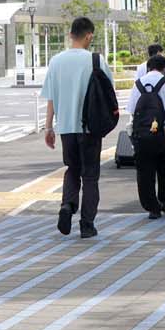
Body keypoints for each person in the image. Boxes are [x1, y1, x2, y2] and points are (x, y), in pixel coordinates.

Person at [42, 17, 107, 238]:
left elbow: (51, 98)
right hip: (90, 128)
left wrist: (48, 127)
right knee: (90, 176)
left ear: (71, 35)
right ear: (89, 35)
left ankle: (67, 205)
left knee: (72, 170)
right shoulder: (96, 61)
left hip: (66, 128)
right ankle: (87, 224)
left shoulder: (56, 61)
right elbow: (108, 95)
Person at [127, 52, 165, 217]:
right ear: (164, 68)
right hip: (163, 135)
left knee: (145, 172)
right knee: (164, 168)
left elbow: (131, 110)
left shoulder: (138, 83)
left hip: (141, 135)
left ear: (148, 67)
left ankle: (152, 207)